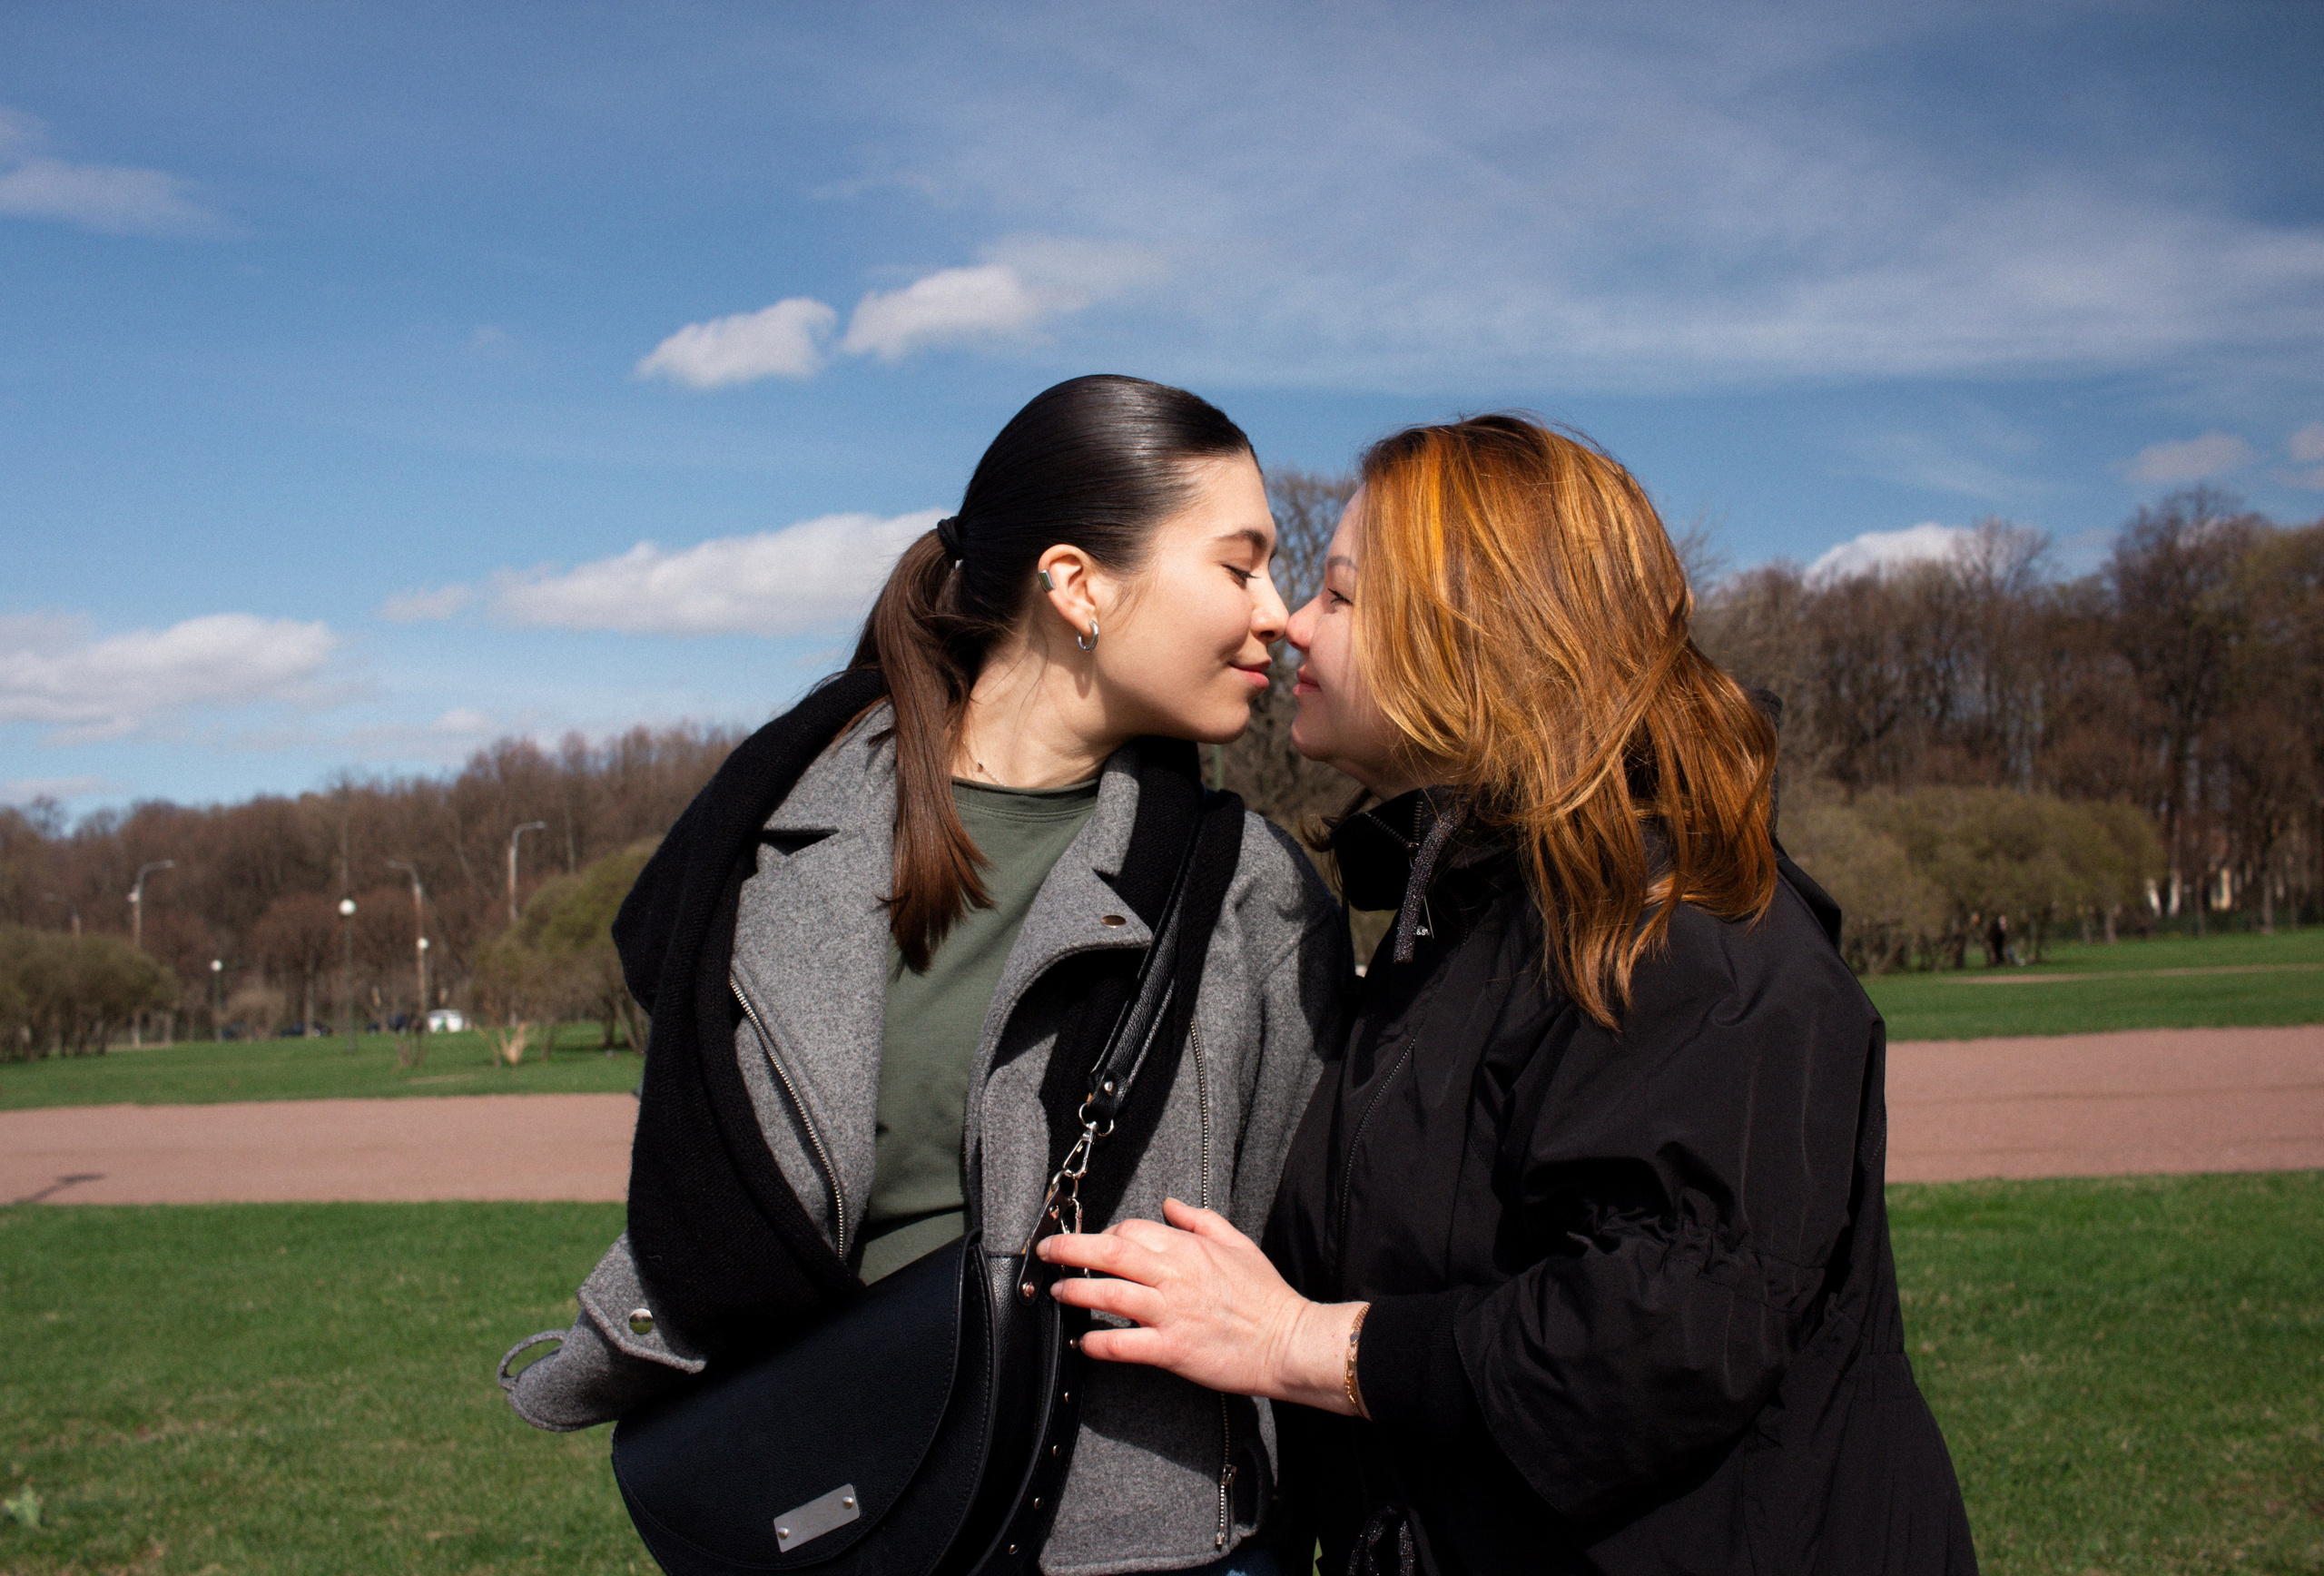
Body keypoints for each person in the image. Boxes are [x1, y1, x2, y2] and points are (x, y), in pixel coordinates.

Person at [1038, 416, 1978, 1573]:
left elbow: (1666, 1331)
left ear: (1471, 634)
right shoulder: (1473, 921)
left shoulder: (1687, 930)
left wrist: (1297, 1341)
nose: (1288, 621)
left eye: (1339, 594)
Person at [497, 375, 1350, 1574]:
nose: (1282, 612)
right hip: (849, 1515)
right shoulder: (769, 848)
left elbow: (1323, 1246)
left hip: (1154, 1543)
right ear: (1078, 584)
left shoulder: (1252, 892)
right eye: (1239, 565)